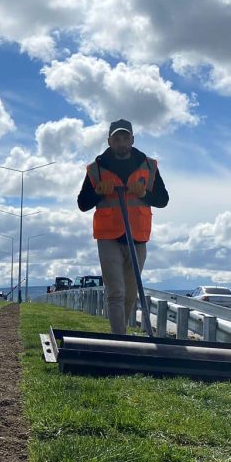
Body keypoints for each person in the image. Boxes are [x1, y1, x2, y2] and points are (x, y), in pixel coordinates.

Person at [77, 119, 169, 334]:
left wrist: (144, 193)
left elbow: (163, 200)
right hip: (108, 236)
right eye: (116, 139)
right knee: (116, 291)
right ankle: (119, 338)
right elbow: (83, 203)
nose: (121, 142)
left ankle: (122, 334)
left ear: (132, 140)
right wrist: (98, 191)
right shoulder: (96, 168)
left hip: (138, 236)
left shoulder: (149, 165)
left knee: (130, 292)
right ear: (109, 141)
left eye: (125, 138)